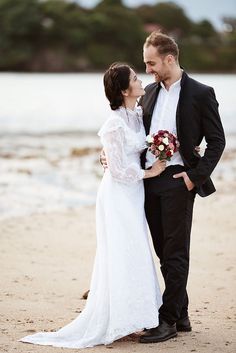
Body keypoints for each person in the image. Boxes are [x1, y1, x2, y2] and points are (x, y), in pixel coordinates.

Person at [19, 63, 166, 349]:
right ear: (124, 90)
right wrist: (152, 172)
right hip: (118, 194)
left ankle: (137, 316)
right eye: (135, 78)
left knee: (134, 251)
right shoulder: (113, 123)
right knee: (121, 251)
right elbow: (119, 170)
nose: (141, 80)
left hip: (134, 194)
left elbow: (132, 150)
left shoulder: (136, 114)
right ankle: (119, 319)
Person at [137, 32, 225, 343]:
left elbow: (217, 141)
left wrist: (193, 177)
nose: (147, 68)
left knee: (175, 252)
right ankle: (182, 313)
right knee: (163, 251)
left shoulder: (201, 93)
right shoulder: (148, 92)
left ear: (170, 59)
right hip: (150, 181)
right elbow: (137, 134)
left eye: (151, 62)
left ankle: (168, 320)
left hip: (179, 180)